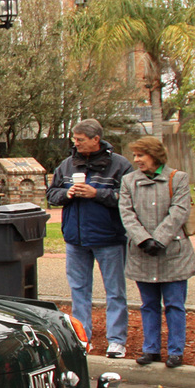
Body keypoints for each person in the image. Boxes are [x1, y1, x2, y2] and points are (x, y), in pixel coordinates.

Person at [48, 119, 134, 357]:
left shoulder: (120, 166)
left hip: (109, 238)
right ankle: (81, 337)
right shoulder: (67, 165)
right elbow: (51, 193)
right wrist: (67, 193)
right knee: (79, 289)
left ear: (96, 139)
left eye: (80, 140)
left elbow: (129, 198)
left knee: (115, 291)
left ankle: (116, 340)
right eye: (75, 140)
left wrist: (98, 194)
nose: (76, 144)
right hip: (76, 239)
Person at [119, 136, 195, 368]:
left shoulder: (179, 178)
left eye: (141, 155)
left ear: (154, 155)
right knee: (148, 304)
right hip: (142, 253)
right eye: (135, 155)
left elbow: (179, 211)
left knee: (174, 304)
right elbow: (126, 213)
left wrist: (160, 239)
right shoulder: (128, 181)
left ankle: (175, 351)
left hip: (173, 252)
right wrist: (143, 240)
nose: (136, 160)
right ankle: (151, 349)